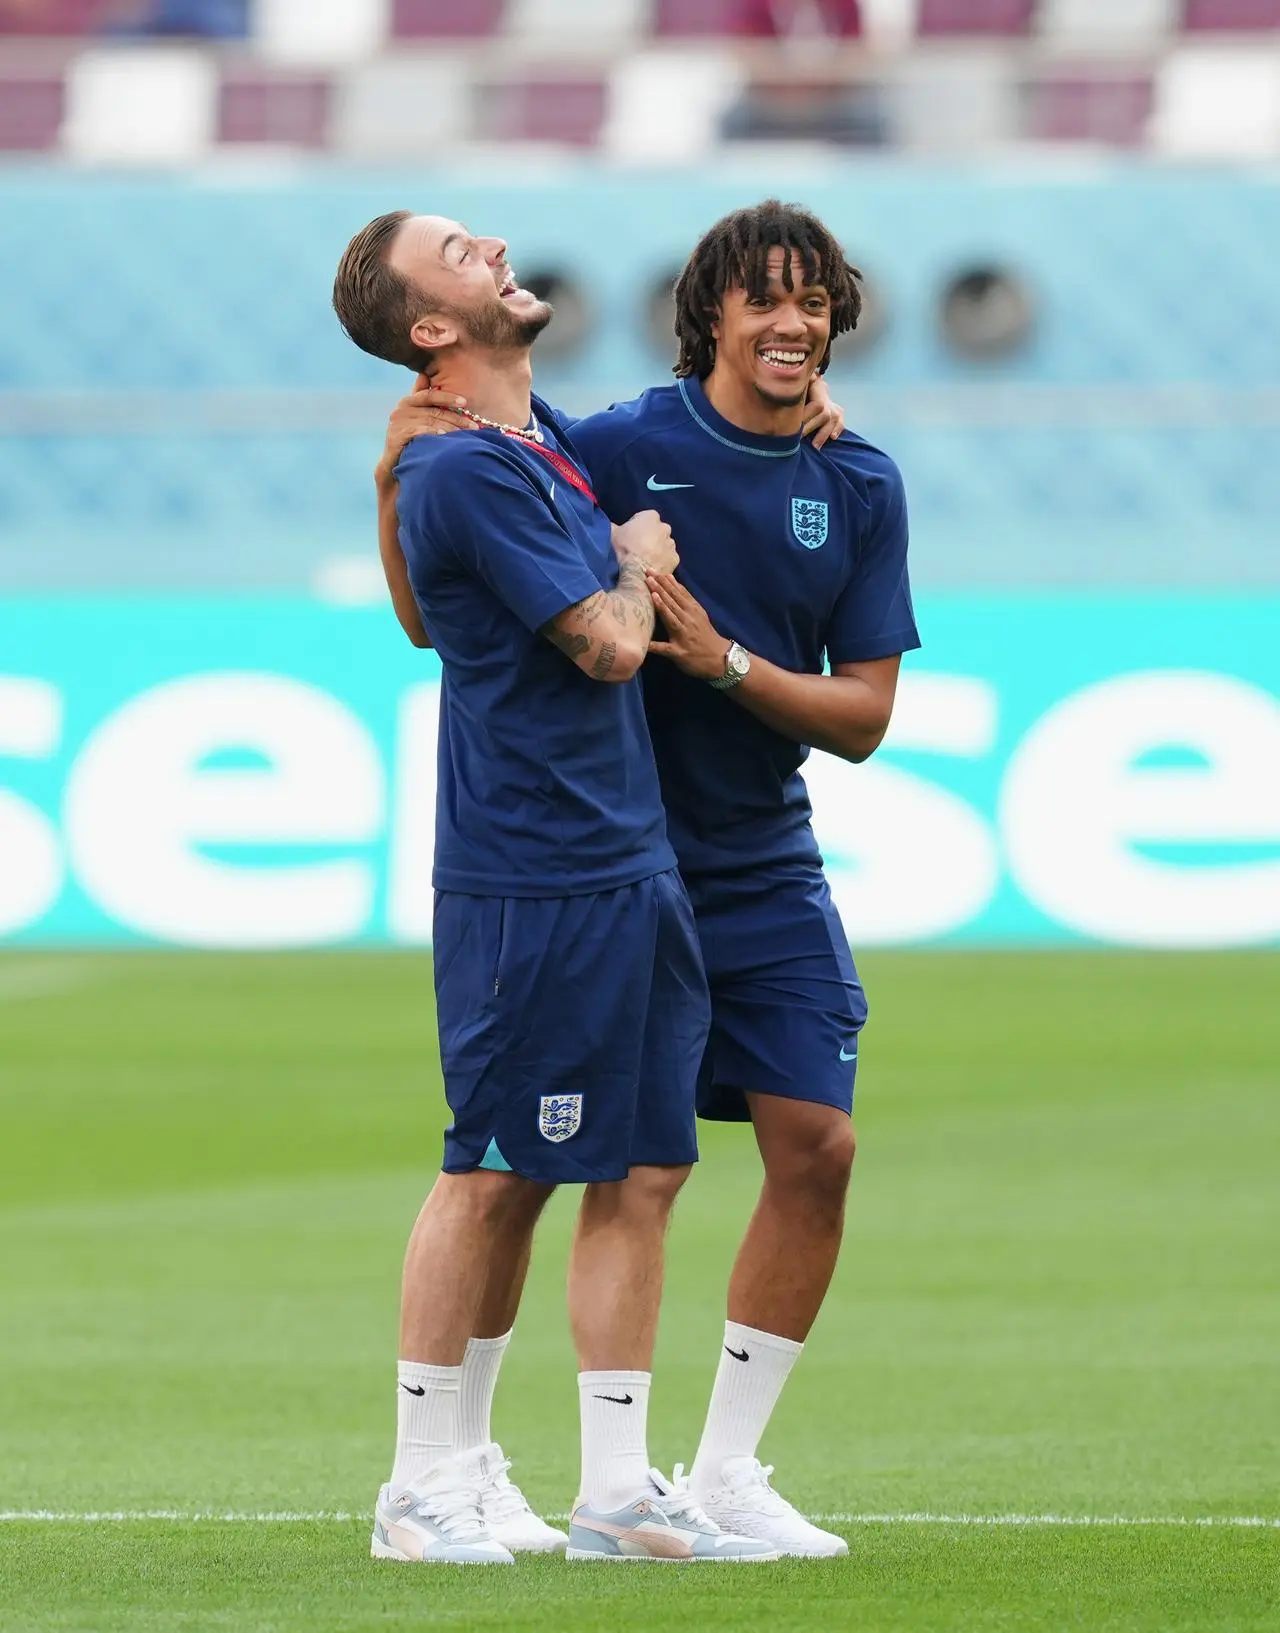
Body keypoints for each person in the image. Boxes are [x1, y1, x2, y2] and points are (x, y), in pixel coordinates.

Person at [376, 199, 920, 1559]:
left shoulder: (859, 480)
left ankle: (709, 1473)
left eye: (813, 303)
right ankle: (462, 1469)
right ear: (714, 317)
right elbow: (457, 564)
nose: (790, 323)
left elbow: (862, 717)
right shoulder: (606, 444)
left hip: (748, 856)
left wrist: (725, 659)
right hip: (589, 857)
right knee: (546, 1165)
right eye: (764, 301)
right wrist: (395, 481)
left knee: (813, 1145)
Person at [332, 211, 776, 1565]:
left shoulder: (519, 446)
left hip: (620, 855)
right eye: (460, 251)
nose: (497, 246)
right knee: (492, 1168)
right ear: (428, 330)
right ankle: (418, 1485)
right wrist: (639, 568)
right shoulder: (466, 473)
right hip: (534, 870)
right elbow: (600, 649)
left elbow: (419, 615)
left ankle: (534, 1474)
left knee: (625, 1162)